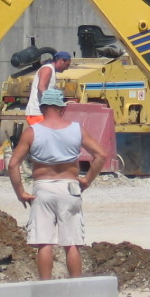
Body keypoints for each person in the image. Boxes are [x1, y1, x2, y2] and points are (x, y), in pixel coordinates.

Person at [8, 88, 108, 280]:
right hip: (69, 187)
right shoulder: (76, 129)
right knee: (71, 243)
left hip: (43, 187)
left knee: (44, 242)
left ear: (43, 108)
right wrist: (87, 180)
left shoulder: (32, 132)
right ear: (62, 108)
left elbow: (13, 164)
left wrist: (20, 192)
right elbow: (101, 155)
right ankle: (76, 286)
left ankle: (46, 286)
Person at [25, 51, 72, 125]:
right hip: (37, 113)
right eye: (67, 65)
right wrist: (51, 103)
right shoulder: (47, 69)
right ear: (61, 61)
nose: (67, 68)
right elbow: (41, 87)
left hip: (42, 112)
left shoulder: (51, 70)